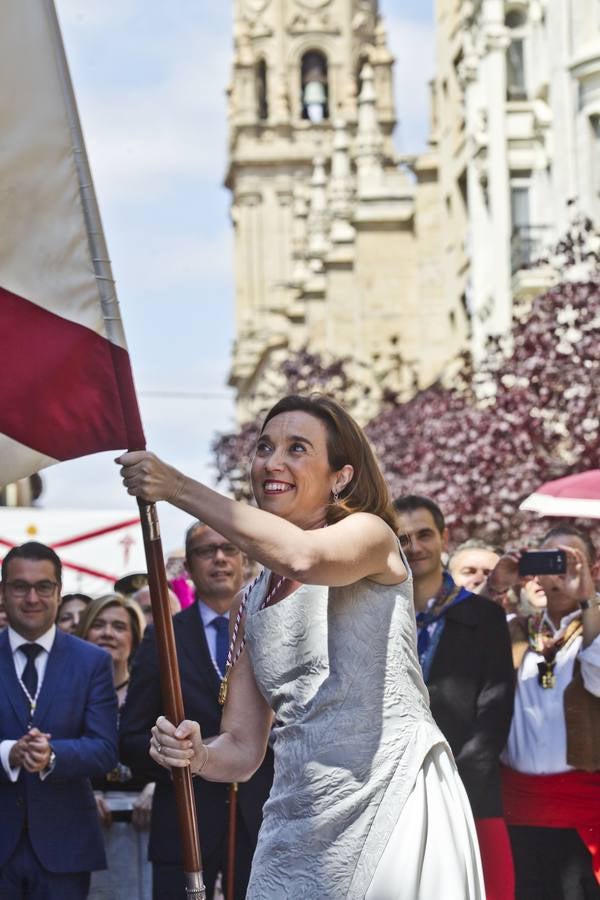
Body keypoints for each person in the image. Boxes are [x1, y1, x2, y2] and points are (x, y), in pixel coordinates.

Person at [117, 393, 484, 900]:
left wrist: (176, 486)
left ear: (341, 477)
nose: (273, 461)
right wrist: (196, 755)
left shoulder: (370, 534)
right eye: (265, 446)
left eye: (297, 449)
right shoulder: (250, 600)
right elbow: (244, 749)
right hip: (297, 813)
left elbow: (304, 559)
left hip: (390, 794)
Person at [120, 522, 274, 900]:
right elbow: (130, 739)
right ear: (188, 566)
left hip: (262, 824)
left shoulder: (270, 628)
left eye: (228, 549)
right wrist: (171, 753)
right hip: (185, 826)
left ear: (244, 561)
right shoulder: (163, 636)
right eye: (206, 551)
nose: (219, 558)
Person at [393, 495, 515, 900]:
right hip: (394, 798)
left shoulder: (485, 616)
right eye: (403, 537)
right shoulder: (377, 616)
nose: (415, 546)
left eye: (425, 534)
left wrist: (457, 786)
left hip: (469, 793)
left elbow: (494, 713)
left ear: (444, 536)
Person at [483, 525, 600, 899]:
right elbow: (465, 642)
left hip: (583, 810)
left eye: (567, 559)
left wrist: (588, 602)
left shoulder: (593, 626)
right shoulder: (517, 630)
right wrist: (495, 588)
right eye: (549, 558)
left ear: (593, 570)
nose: (558, 568)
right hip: (518, 807)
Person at [0, 541, 118, 899]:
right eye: (20, 587)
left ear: (59, 592)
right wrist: (8, 753)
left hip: (65, 845)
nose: (32, 598)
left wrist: (52, 755)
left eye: (43, 587)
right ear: (3, 592)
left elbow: (105, 750)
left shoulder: (92, 661)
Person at [78, 593, 151, 900]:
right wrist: (84, 792)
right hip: (85, 823)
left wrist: (157, 787)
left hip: (145, 823)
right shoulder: (68, 690)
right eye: (99, 624)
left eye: (119, 626)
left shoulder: (152, 692)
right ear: (85, 633)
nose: (108, 633)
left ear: (134, 638)